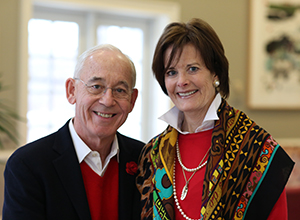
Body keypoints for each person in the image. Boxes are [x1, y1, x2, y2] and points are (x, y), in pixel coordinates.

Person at [136, 18, 294, 220]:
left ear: (215, 73)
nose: (182, 81)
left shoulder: (257, 149)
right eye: (171, 72)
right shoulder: (152, 153)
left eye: (193, 68)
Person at [3, 44, 145, 220]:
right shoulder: (28, 165)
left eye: (120, 90)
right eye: (96, 86)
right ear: (72, 91)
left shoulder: (145, 158)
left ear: (132, 100)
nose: (108, 100)